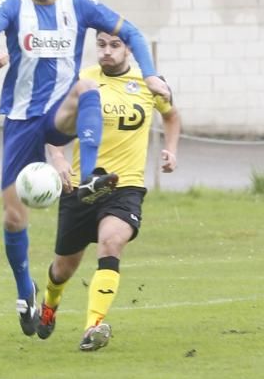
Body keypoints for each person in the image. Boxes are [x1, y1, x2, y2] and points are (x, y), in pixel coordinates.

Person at [0, 0, 171, 337]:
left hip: (61, 110)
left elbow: (133, 33)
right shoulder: (12, 6)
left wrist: (149, 74)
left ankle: (92, 174)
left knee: (87, 90)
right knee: (12, 217)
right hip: (21, 120)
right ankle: (26, 290)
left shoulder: (79, 5)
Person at [38, 31, 180, 350]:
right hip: (81, 186)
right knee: (63, 269)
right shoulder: (83, 79)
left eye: (115, 45)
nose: (107, 51)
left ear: (129, 49)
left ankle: (93, 327)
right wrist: (59, 158)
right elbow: (54, 127)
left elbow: (171, 116)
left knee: (111, 242)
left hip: (124, 185)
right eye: (101, 44)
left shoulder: (149, 82)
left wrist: (171, 149)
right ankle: (50, 302)